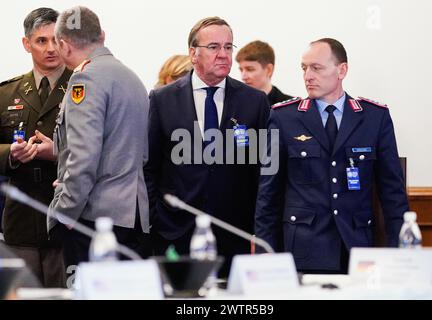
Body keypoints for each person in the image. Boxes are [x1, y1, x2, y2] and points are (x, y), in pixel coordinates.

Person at [255, 38, 409, 273]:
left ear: (342, 70)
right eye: (304, 68)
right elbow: (268, 196)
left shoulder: (374, 118)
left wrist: (400, 255)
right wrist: (267, 260)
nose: (308, 76)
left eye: (316, 68)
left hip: (357, 251)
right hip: (303, 251)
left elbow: (393, 194)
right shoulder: (284, 118)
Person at [145, 16, 270, 276]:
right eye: (214, 47)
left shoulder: (254, 102)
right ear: (193, 53)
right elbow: (149, 166)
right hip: (175, 232)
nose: (223, 55)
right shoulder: (162, 99)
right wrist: (158, 217)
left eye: (228, 47)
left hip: (234, 233)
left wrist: (257, 227)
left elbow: (262, 170)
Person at [48, 6, 150, 268]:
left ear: (63, 44)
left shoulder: (85, 79)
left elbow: (83, 157)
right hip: (133, 215)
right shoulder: (130, 77)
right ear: (101, 36)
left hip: (97, 219)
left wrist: (64, 212)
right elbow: (143, 153)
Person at [0, 7, 71, 287]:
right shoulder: (7, 93)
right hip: (21, 220)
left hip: (66, 218)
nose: (51, 48)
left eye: (57, 39)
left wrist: (60, 151)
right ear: (26, 44)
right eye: (42, 41)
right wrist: (11, 155)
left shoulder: (83, 87)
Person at [236, 40, 292, 105]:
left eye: (250, 69)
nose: (243, 77)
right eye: (241, 70)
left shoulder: (291, 107)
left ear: (269, 70)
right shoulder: (236, 104)